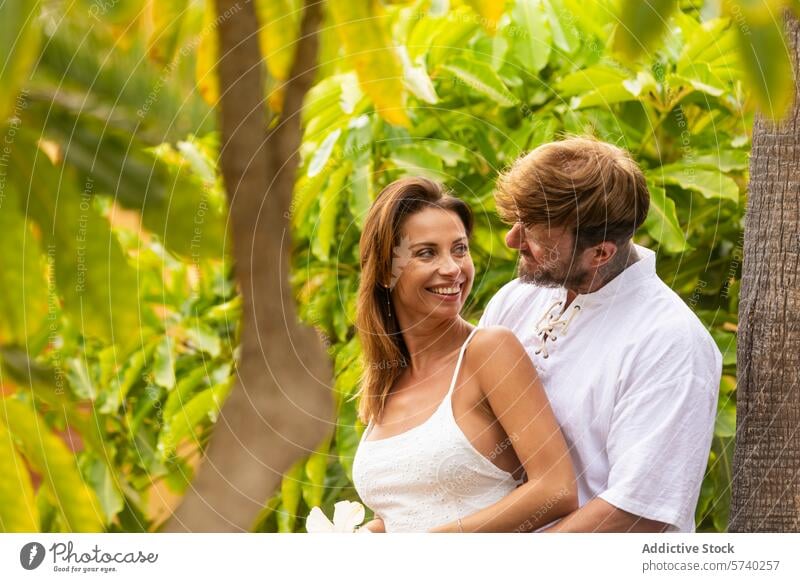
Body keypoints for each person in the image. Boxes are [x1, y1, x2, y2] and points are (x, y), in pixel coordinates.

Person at [479, 136, 722, 532]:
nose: (512, 240)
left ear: (600, 254)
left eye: (534, 235)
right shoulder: (515, 300)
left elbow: (637, 512)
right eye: (518, 222)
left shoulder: (670, 342)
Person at [351, 177, 577, 533]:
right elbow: (411, 507)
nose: (453, 268)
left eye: (459, 249)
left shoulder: (489, 352)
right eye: (427, 253)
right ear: (384, 272)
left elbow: (557, 489)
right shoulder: (386, 379)